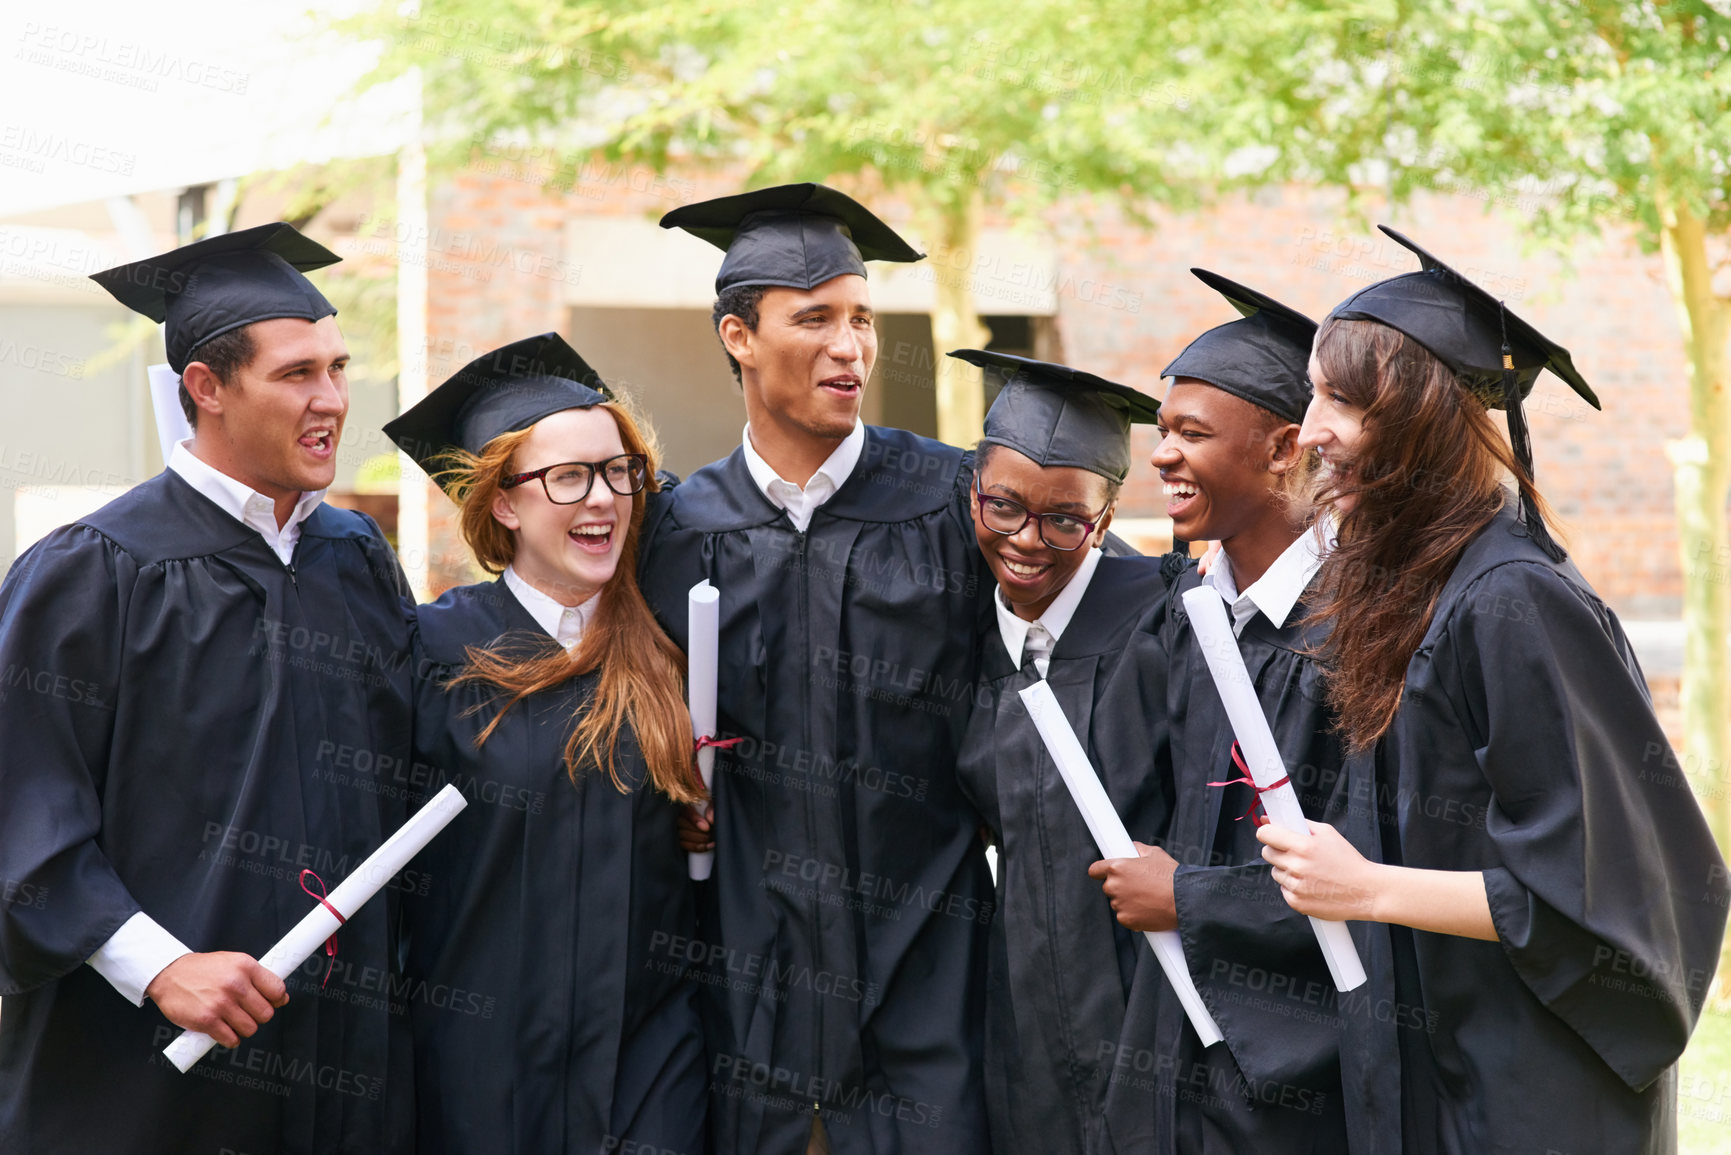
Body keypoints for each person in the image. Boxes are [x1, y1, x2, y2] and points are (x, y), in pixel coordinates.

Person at [1257, 227, 1729, 1153]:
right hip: (1445, 1066)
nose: (1308, 430)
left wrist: (1365, 887)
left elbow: (1592, 892)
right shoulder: (1424, 586)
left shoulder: (1512, 600)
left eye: (1339, 401)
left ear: (1422, 422)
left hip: (1533, 1094)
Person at [0, 223, 414, 1154]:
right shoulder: (92, 570)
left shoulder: (354, 558)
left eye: (339, 368)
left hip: (339, 1054)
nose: (334, 400)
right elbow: (19, 807)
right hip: (142, 1063)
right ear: (207, 387)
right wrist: (157, 964)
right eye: (297, 373)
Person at [641, 183, 995, 1154]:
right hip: (744, 962)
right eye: (817, 318)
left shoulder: (952, 502)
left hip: (927, 951)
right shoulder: (676, 532)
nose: (852, 347)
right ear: (739, 336)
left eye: (864, 319)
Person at [383, 333, 710, 1155]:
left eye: (616, 471)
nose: (601, 498)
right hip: (478, 1067)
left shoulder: (675, 648)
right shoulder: (433, 651)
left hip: (648, 1070)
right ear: (503, 501)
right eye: (566, 477)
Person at [1087, 269, 1374, 1152]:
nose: (1161, 455)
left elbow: (1374, 873)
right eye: (1160, 431)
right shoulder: (1188, 612)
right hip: (1176, 1057)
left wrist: (1189, 897)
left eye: (1190, 433)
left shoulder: (1358, 627)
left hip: (1303, 1077)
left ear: (1285, 447)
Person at [946, 349, 1169, 1154]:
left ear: (1105, 519)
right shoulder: (959, 635)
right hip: (1023, 1017)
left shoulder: (1167, 625)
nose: (1027, 540)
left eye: (1064, 519)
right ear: (972, 492)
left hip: (1153, 1009)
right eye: (1002, 506)